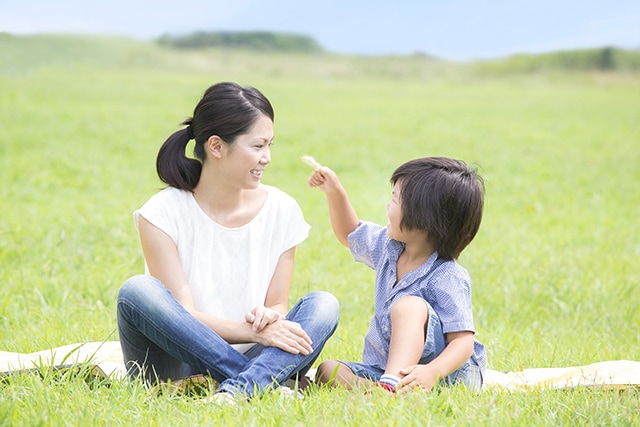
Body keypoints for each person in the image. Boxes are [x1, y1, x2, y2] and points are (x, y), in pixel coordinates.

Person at [116, 82, 340, 401]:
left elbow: (277, 302)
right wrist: (251, 331)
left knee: (324, 304)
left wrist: (269, 315)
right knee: (137, 291)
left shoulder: (282, 209)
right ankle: (265, 386)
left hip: (256, 357)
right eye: (258, 146)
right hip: (175, 366)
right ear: (217, 146)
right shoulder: (162, 212)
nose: (267, 158)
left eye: (269, 145)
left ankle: (240, 389)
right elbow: (183, 316)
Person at [308, 157, 486, 393]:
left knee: (409, 306)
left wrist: (432, 372)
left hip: (445, 374)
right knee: (328, 371)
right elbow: (350, 233)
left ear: (423, 219)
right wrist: (334, 191)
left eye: (394, 199)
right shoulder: (389, 247)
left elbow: (463, 343)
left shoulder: (447, 275)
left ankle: (390, 387)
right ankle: (381, 392)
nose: (387, 206)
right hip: (386, 370)